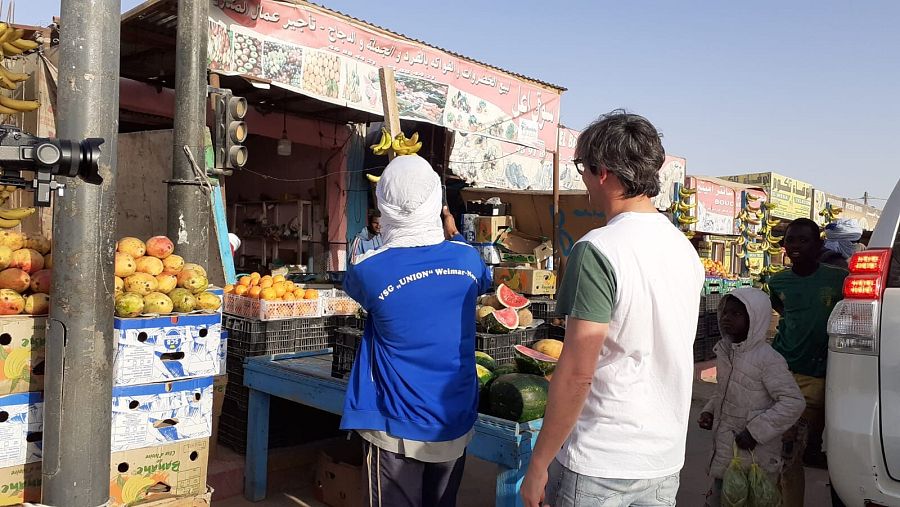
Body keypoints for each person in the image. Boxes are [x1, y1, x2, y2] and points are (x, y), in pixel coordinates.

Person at [520, 110, 706, 507]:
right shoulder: (685, 250)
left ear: (602, 171)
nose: (582, 179)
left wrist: (538, 465)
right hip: (662, 461)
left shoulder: (598, 249)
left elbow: (576, 374)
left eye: (582, 168)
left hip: (600, 460)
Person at [340, 154, 493, 507]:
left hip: (394, 423)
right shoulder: (468, 259)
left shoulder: (368, 270)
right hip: (453, 417)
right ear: (435, 202)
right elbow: (478, 278)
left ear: (384, 206)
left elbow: (363, 289)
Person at [700, 288, 806, 506]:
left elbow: (793, 402)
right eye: (725, 313)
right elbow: (724, 390)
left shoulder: (768, 359)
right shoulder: (725, 352)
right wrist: (709, 411)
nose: (727, 318)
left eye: (736, 314)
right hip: (726, 453)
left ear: (755, 319)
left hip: (754, 457)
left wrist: (756, 431)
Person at [769, 217, 848, 507]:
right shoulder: (777, 282)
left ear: (819, 245)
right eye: (791, 240)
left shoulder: (838, 279)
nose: (796, 246)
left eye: (804, 240)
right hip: (782, 372)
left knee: (797, 451)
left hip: (819, 377)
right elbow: (783, 313)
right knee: (786, 451)